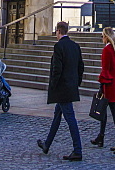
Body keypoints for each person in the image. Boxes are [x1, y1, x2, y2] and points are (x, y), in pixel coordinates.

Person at [38, 21, 84, 160]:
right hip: (70, 86)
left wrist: (53, 85)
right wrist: (77, 83)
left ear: (58, 31)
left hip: (62, 88)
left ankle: (78, 150)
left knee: (70, 118)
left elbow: (56, 69)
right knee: (57, 115)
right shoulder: (75, 46)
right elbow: (81, 66)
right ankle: (47, 144)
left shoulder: (59, 46)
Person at [91, 27, 115, 150]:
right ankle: (102, 136)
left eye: (102, 36)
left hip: (108, 84)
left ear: (106, 36)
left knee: (109, 111)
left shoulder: (107, 50)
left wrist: (101, 86)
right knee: (110, 111)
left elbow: (105, 69)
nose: (102, 38)